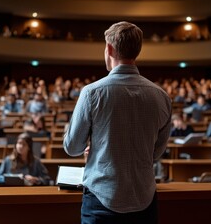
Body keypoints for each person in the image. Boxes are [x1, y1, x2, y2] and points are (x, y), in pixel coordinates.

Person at [64, 21, 172, 223]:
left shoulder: (92, 93)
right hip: (144, 200)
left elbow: (72, 147)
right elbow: (155, 152)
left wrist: (97, 149)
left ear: (109, 49)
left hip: (101, 199)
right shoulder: (161, 96)